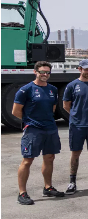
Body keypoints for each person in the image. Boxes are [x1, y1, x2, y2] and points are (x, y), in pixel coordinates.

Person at [12, 61, 64, 205]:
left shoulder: (53, 89)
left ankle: (48, 187)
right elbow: (15, 111)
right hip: (33, 130)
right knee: (27, 160)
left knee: (49, 158)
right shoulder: (26, 90)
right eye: (42, 72)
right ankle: (22, 193)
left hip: (50, 128)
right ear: (35, 72)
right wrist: (30, 121)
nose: (45, 74)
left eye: (48, 72)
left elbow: (52, 109)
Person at [62, 59, 88, 194]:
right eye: (86, 69)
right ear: (79, 69)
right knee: (75, 153)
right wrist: (76, 115)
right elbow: (66, 105)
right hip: (77, 126)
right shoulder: (72, 85)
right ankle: (72, 182)